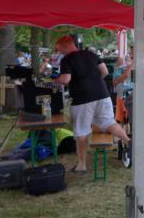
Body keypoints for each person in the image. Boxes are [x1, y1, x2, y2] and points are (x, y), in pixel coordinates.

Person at [52, 35, 130, 173]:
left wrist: (55, 81)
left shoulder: (67, 59)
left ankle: (81, 166)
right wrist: (93, 82)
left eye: (59, 49)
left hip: (82, 99)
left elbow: (65, 79)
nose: (59, 52)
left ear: (65, 46)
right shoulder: (91, 54)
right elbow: (105, 72)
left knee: (81, 132)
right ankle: (128, 141)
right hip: (102, 94)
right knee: (109, 122)